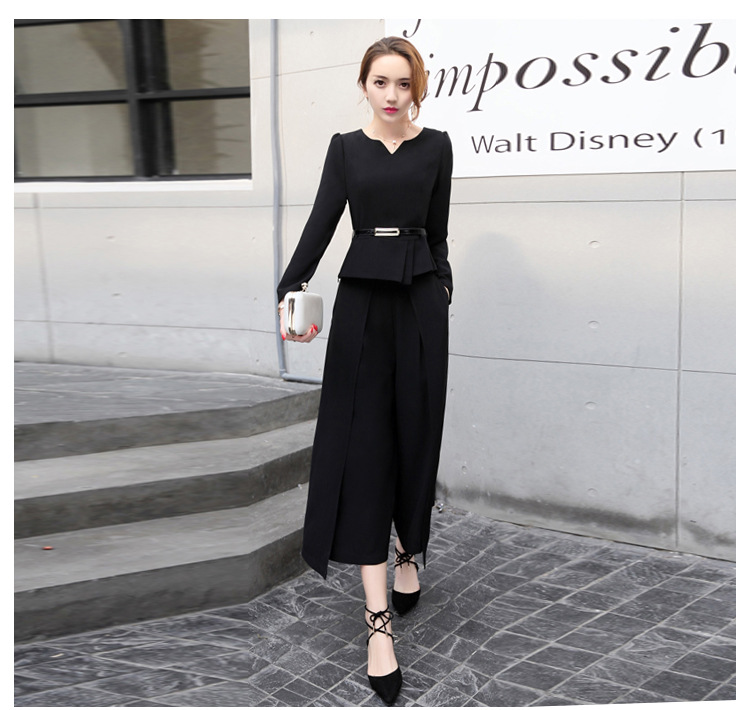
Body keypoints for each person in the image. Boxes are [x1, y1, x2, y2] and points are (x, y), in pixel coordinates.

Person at [276, 35, 452, 705]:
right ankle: (378, 623)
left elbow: (438, 231)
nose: (391, 94)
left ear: (416, 89)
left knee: (416, 437)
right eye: (381, 81)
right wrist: (290, 287)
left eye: (403, 83)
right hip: (361, 307)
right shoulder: (345, 149)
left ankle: (409, 551)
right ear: (364, 85)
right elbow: (322, 223)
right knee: (365, 449)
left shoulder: (437, 147)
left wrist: (443, 287)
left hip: (419, 303)